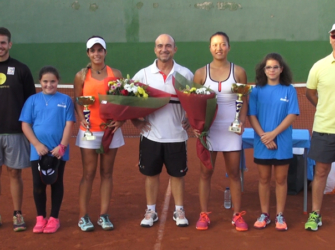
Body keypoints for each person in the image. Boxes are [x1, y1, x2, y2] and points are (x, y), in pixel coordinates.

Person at [132, 34, 193, 227]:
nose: (164, 49)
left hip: (177, 136)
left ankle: (179, 210)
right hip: (151, 135)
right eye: (160, 46)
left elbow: (195, 101)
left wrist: (191, 119)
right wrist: (136, 123)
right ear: (155, 49)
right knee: (151, 174)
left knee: (178, 175)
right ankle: (151, 211)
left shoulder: (185, 74)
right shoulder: (144, 74)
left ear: (175, 49)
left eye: (168, 46)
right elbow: (127, 100)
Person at [193, 31, 248, 231]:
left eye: (223, 44)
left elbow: (244, 100)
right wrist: (197, 126)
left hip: (231, 129)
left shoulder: (239, 72)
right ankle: (204, 214)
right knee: (206, 172)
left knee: (234, 173)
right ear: (210, 48)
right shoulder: (200, 73)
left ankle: (237, 215)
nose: (219, 48)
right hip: (209, 130)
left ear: (229, 47)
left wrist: (241, 121)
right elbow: (193, 103)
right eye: (215, 44)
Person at [74, 36, 125, 231]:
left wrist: (120, 120)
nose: (96, 54)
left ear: (105, 52)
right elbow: (78, 100)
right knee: (88, 174)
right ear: (88, 53)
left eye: (100, 50)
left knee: (107, 173)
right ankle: (83, 216)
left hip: (111, 131)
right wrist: (82, 118)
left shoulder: (116, 73)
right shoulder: (81, 76)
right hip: (89, 132)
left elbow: (122, 101)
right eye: (92, 50)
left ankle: (104, 215)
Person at [305, 21, 335, 231]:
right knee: (321, 171)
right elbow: (310, 93)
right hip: (324, 128)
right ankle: (315, 214)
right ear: (330, 38)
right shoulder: (319, 66)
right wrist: (324, 108)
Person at [19, 66, 75, 233]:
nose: (49, 84)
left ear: (58, 81)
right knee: (38, 184)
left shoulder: (65, 100)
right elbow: (25, 125)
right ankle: (40, 218)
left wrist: (62, 147)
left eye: (52, 81)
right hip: (38, 151)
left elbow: (69, 124)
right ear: (40, 82)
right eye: (45, 81)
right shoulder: (32, 100)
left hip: (58, 151)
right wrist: (37, 144)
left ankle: (54, 218)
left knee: (56, 183)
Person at [248, 53, 299, 231]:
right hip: (263, 142)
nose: (272, 70)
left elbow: (292, 114)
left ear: (281, 69)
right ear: (264, 70)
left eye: (275, 67)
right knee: (263, 179)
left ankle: (279, 215)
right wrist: (264, 136)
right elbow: (251, 115)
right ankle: (264, 214)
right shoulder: (255, 91)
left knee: (280, 179)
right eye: (268, 67)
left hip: (282, 142)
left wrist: (273, 134)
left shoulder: (289, 90)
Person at [0, 27, 36, 231]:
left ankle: (17, 213)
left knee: (14, 173)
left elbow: (31, 102)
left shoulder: (21, 70)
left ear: (10, 44)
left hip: (15, 131)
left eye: (3, 43)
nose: (0, 47)